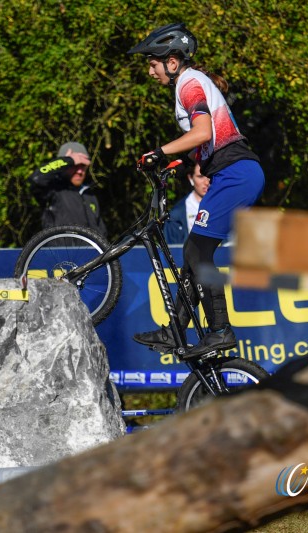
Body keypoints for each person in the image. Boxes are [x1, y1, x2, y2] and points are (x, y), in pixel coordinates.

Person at [128, 22, 265, 358]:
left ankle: (220, 331)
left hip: (236, 174)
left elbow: (203, 132)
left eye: (152, 63)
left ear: (172, 62)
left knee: (197, 252)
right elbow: (205, 144)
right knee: (194, 252)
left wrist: (160, 152)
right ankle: (176, 332)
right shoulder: (193, 83)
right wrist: (180, 163)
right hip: (234, 173)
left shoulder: (188, 84)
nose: (150, 71)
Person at [28, 142, 108, 239]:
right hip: (61, 253)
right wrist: (69, 160)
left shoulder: (89, 194)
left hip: (93, 253)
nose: (79, 171)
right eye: (74, 166)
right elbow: (36, 178)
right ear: (63, 165)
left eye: (82, 166)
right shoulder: (53, 189)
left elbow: (101, 232)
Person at [164, 161, 210, 244]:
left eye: (210, 176)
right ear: (191, 178)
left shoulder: (229, 208)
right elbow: (172, 251)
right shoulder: (175, 215)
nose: (206, 182)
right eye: (200, 177)